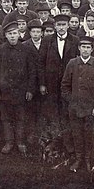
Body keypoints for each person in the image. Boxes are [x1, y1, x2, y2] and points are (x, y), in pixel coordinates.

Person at [61, 35, 94, 172]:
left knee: (90, 135)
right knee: (76, 134)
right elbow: (64, 86)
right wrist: (72, 101)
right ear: (79, 48)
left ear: (92, 49)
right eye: (83, 47)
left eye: (88, 47)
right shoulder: (72, 63)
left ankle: (88, 160)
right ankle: (79, 158)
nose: (85, 50)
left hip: (91, 109)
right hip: (75, 108)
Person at [0, 21, 36, 155]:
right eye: (9, 34)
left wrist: (30, 90)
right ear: (5, 35)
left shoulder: (26, 49)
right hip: (5, 92)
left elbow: (32, 71)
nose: (12, 36)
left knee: (21, 117)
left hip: (21, 91)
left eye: (14, 33)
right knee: (6, 118)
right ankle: (9, 142)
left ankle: (20, 142)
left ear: (18, 34)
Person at [38, 13, 79, 155]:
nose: (61, 28)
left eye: (63, 25)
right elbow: (41, 63)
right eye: (58, 25)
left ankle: (68, 143)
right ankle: (55, 140)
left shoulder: (75, 40)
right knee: (53, 112)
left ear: (68, 25)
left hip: (69, 84)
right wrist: (42, 84)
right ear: (54, 26)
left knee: (67, 112)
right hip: (51, 84)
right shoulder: (47, 41)